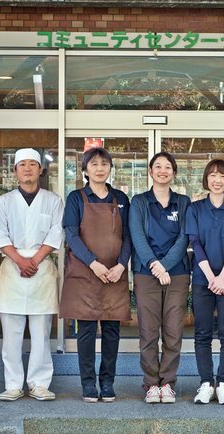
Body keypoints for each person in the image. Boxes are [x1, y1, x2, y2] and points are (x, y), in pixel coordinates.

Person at [59, 147, 131, 403]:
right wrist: (94, 264)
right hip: (85, 275)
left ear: (110, 168)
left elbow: (128, 237)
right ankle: (88, 384)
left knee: (112, 332)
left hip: (115, 275)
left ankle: (108, 383)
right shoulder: (76, 197)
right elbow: (71, 234)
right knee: (86, 333)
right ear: (85, 170)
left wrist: (122, 265)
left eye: (104, 163)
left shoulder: (121, 198)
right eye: (94, 164)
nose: (100, 168)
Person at [0, 148, 64, 402]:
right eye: (22, 164)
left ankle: (39, 383)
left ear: (41, 170)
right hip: (12, 269)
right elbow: (0, 236)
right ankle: (12, 384)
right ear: (15, 171)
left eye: (32, 164)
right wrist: (20, 261)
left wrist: (33, 260)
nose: (27, 168)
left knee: (41, 333)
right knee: (11, 334)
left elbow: (56, 234)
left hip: (41, 267)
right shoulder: (4, 201)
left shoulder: (53, 200)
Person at [185, 159, 224, 405]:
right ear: (206, 179)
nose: (217, 179)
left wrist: (222, 277)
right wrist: (212, 278)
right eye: (212, 175)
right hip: (203, 280)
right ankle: (205, 383)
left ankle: (223, 383)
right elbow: (195, 243)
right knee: (201, 333)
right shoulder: (195, 208)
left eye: (222, 175)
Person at [129, 151, 191, 404]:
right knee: (148, 331)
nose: (163, 170)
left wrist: (165, 266)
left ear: (174, 172)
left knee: (174, 331)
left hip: (176, 273)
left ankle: (168, 382)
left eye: (168, 167)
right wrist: (155, 265)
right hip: (146, 274)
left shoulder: (183, 202)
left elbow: (185, 237)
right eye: (158, 166)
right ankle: (151, 383)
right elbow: (137, 237)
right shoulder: (139, 202)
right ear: (151, 172)